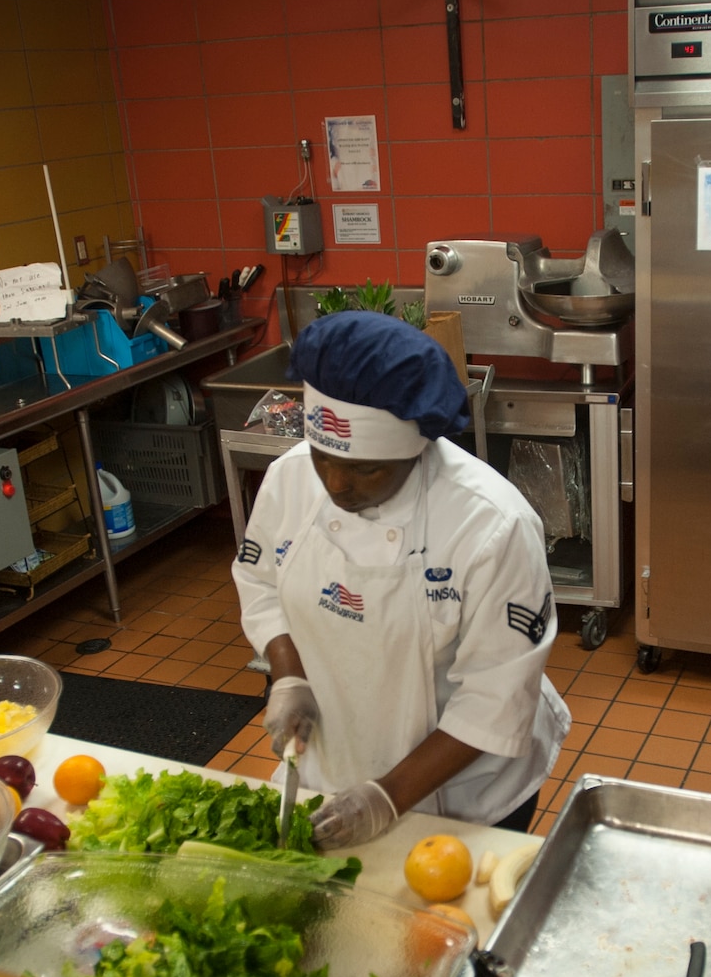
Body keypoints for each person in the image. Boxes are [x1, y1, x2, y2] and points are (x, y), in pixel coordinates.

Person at [233, 311, 572, 850]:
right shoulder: (289, 479)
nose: (337, 484)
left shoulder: (490, 525)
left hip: (462, 792)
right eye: (324, 458)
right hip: (334, 759)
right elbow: (260, 582)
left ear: (415, 448)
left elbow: (493, 696)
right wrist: (288, 674)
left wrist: (387, 796)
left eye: (368, 470)